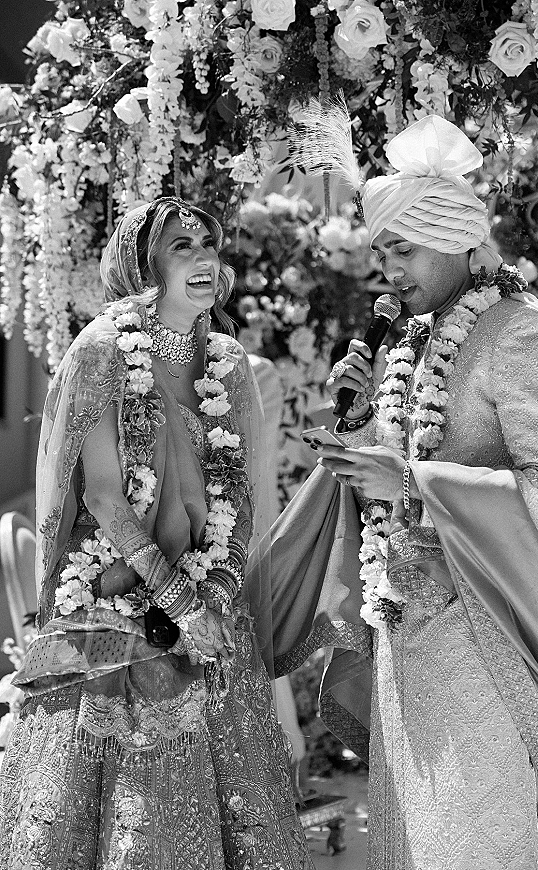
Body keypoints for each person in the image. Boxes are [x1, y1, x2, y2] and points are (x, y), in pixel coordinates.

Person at [248, 111, 538, 869]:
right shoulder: (411, 338)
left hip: (479, 630)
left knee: (471, 841)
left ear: (457, 236)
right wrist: (361, 426)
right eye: (381, 251)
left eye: (402, 248)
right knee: (412, 840)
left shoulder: (518, 334)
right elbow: (387, 483)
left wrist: (416, 480)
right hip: (400, 625)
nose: (388, 269)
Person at [0, 196, 314, 870]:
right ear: (144, 262)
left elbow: (241, 496)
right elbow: (105, 498)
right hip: (113, 604)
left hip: (210, 612)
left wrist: (220, 589)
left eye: (210, 244)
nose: (204, 258)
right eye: (182, 245)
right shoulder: (105, 349)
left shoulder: (228, 362)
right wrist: (181, 604)